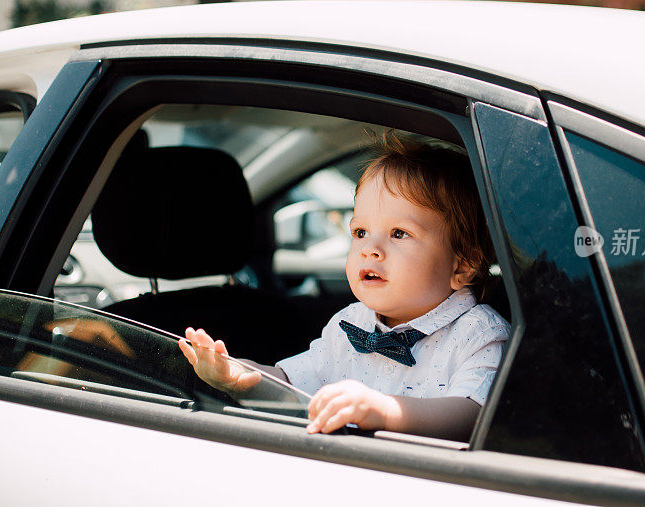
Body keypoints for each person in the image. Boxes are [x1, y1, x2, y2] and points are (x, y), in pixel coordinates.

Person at [179, 131, 509, 440]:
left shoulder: (481, 334)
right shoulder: (349, 323)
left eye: (398, 233)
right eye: (360, 232)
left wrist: (384, 411)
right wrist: (243, 378)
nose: (369, 248)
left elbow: (473, 414)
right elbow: (295, 384)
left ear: (463, 264)